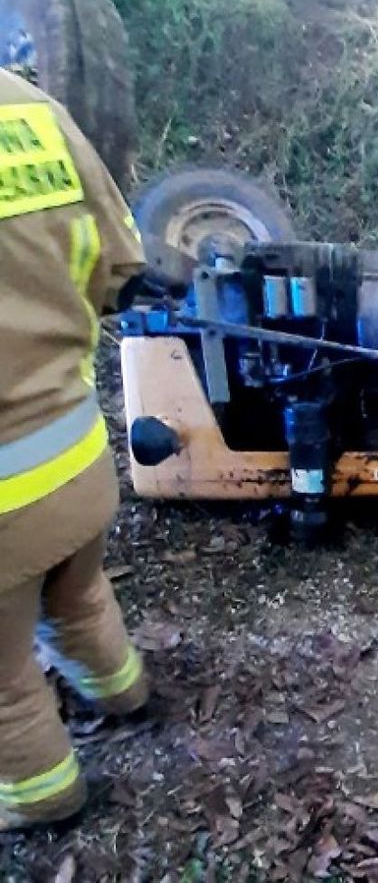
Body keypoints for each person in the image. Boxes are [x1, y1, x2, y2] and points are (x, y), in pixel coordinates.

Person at [0, 67, 148, 832]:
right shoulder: (30, 108)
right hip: (78, 455)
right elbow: (121, 265)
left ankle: (40, 795)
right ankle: (125, 692)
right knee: (79, 594)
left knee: (5, 680)